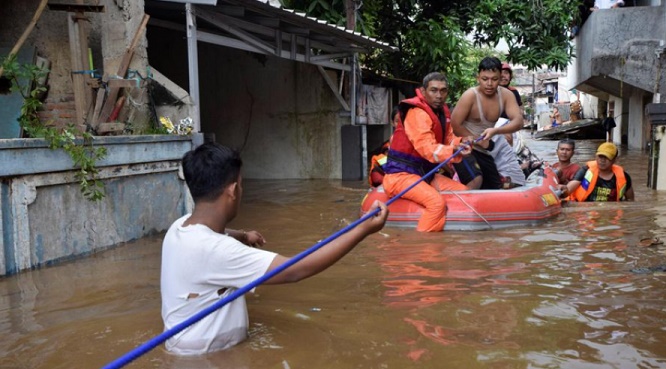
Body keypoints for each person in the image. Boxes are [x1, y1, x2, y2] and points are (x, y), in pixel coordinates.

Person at [161, 142, 389, 355]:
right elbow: (295, 270)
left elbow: (215, 235)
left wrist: (243, 235)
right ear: (232, 191)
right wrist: (363, 230)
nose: (241, 191)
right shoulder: (219, 251)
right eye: (241, 185)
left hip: (184, 350)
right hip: (212, 358)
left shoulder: (179, 228)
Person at [383, 72, 471, 232]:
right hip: (400, 176)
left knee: (464, 192)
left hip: (424, 175)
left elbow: (449, 140)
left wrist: (462, 143)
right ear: (423, 92)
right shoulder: (417, 112)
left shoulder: (442, 113)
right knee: (436, 203)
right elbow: (427, 148)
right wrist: (453, 149)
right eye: (434, 90)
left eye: (443, 91)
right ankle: (424, 250)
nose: (439, 95)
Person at [450, 56, 524, 190]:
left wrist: (496, 131)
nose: (489, 84)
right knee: (476, 180)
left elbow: (518, 122)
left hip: (485, 148)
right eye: (485, 79)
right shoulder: (469, 96)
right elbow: (455, 125)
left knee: (495, 187)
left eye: (494, 79)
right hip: (464, 147)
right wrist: (476, 141)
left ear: (500, 78)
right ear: (478, 77)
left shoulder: (506, 95)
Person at [560, 142, 635, 201]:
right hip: (586, 214)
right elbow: (569, 190)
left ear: (614, 160)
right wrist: (563, 190)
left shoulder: (624, 177)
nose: (602, 160)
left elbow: (630, 201)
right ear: (596, 157)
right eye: (600, 156)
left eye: (607, 157)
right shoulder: (585, 171)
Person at [368, 107, 401, 187]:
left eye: (402, 121)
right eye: (397, 121)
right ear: (392, 123)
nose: (400, 125)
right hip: (392, 174)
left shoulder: (414, 140)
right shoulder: (387, 146)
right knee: (376, 160)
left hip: (406, 175)